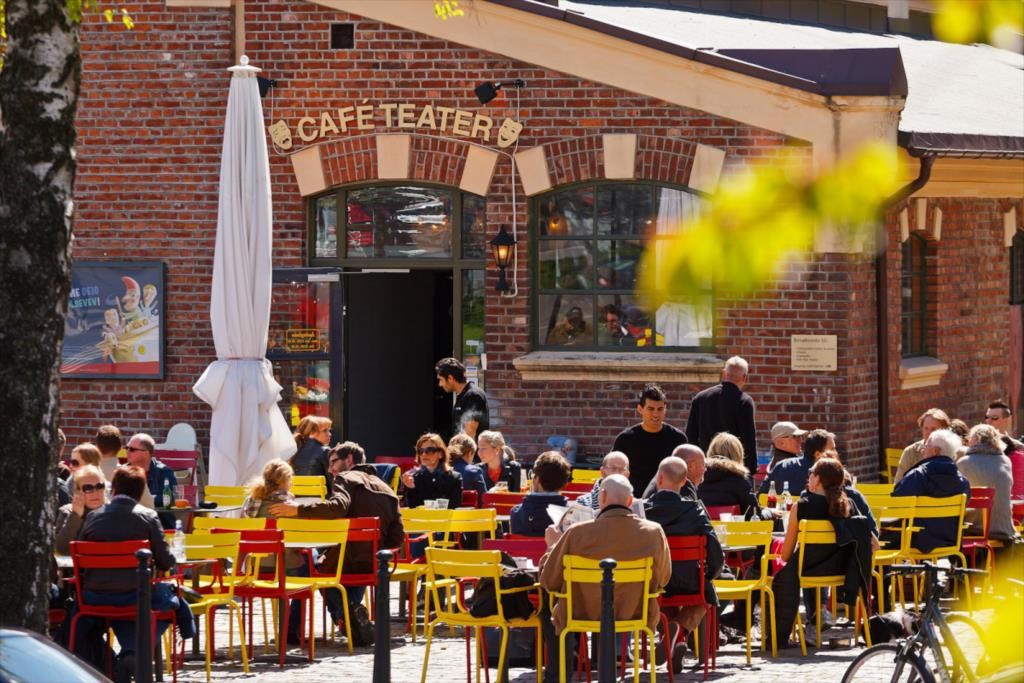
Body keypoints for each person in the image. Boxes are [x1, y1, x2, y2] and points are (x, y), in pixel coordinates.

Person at [539, 474, 671, 683]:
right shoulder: (653, 532)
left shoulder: (576, 533)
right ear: (630, 501)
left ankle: (558, 676)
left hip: (581, 612)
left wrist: (551, 547)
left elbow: (549, 581)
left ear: (601, 498)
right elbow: (663, 579)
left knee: (548, 607)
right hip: (635, 611)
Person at [271, 441, 402, 647]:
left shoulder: (345, 478)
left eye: (333, 462)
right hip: (374, 565)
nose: (330, 469)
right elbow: (398, 537)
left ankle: (336, 619)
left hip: (344, 562)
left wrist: (298, 510)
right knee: (335, 565)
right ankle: (352, 617)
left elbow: (338, 507)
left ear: (349, 460)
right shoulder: (388, 489)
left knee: (309, 562)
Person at [73, 466, 194, 676]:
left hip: (94, 598)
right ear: (140, 492)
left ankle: (127, 655)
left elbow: (82, 560)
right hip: (134, 597)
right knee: (170, 601)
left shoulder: (92, 517)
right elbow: (166, 563)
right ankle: (133, 653)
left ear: (114, 489)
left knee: (147, 601)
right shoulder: (148, 516)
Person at [773, 458, 876, 648]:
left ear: (818, 479)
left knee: (769, 573)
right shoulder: (850, 506)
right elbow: (874, 545)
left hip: (807, 572)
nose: (808, 477)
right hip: (841, 574)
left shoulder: (801, 506)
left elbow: (786, 556)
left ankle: (775, 635)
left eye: (811, 473)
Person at [643, 456, 724, 670]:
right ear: (683, 482)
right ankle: (679, 632)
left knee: (659, 596)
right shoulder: (695, 511)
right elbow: (715, 550)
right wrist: (710, 575)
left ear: (659, 479)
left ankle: (671, 638)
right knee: (705, 596)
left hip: (655, 581)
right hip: (690, 579)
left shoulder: (643, 513)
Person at [241, 458, 308, 644]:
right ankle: (291, 629)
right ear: (285, 480)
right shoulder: (289, 504)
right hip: (285, 566)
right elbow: (296, 539)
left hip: (256, 566)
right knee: (309, 567)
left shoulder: (251, 500)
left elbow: (243, 527)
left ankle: (287, 629)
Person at [893, 428, 972, 553]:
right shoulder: (963, 483)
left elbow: (897, 504)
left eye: (926, 445)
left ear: (935, 451)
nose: (923, 449)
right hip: (950, 541)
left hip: (914, 541)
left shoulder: (917, 475)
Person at [685, 356, 758, 474]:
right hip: (734, 470)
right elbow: (748, 439)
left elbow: (690, 436)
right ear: (744, 377)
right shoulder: (744, 401)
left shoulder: (701, 398)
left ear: (724, 373)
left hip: (705, 469)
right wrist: (751, 470)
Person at [612, 383, 688, 496]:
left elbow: (686, 475)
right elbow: (614, 474)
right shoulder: (625, 439)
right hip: (634, 501)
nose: (656, 414)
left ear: (665, 409)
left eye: (660, 409)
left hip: (668, 502)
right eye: (651, 409)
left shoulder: (678, 439)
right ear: (640, 409)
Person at [956, 424, 1015, 542]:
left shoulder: (963, 463)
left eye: (969, 439)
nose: (968, 442)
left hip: (975, 530)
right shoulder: (1005, 461)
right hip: (1004, 529)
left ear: (976, 439)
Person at [698, 432, 759, 518]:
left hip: (701, 530)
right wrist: (769, 513)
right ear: (738, 453)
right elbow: (755, 514)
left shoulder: (697, 477)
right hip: (734, 530)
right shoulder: (740, 479)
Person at [510, 450, 571, 536]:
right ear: (563, 482)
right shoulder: (571, 516)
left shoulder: (516, 513)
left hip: (525, 550)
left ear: (537, 479)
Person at [759, 429, 833, 496]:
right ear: (817, 454)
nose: (800, 440)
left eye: (800, 437)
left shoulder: (781, 466)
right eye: (832, 449)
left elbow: (761, 495)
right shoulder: (828, 472)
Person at [55, 464, 107, 554]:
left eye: (99, 486)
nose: (95, 493)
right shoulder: (67, 512)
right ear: (77, 492)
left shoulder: (113, 512)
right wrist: (76, 516)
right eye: (88, 488)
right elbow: (60, 549)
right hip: (74, 567)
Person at [401, 433, 463, 508]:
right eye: (420, 451)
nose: (424, 454)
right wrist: (411, 489)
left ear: (440, 454)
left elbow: (455, 507)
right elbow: (410, 508)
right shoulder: (412, 478)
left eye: (429, 450)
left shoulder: (454, 478)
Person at [125, 432, 175, 524]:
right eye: (127, 448)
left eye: (132, 449)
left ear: (146, 453)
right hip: (131, 525)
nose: (127, 451)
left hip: (160, 524)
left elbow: (168, 499)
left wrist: (141, 499)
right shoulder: (123, 472)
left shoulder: (164, 472)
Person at [435, 357, 489, 440]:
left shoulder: (473, 395)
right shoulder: (462, 395)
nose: (440, 384)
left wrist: (458, 451)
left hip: (470, 452)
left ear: (450, 378)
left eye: (440, 380)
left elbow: (469, 434)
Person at [893, 408, 951, 484]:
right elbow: (898, 484)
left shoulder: (953, 451)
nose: (929, 432)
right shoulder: (910, 452)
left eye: (933, 429)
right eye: (926, 428)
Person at [288, 415, 333, 493]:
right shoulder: (324, 451)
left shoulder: (291, 452)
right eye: (325, 430)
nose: (329, 434)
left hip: (296, 501)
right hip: (320, 502)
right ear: (312, 433)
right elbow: (333, 483)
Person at [447, 433, 487, 505]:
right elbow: (484, 501)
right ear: (470, 453)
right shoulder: (474, 471)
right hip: (467, 515)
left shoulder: (441, 470)